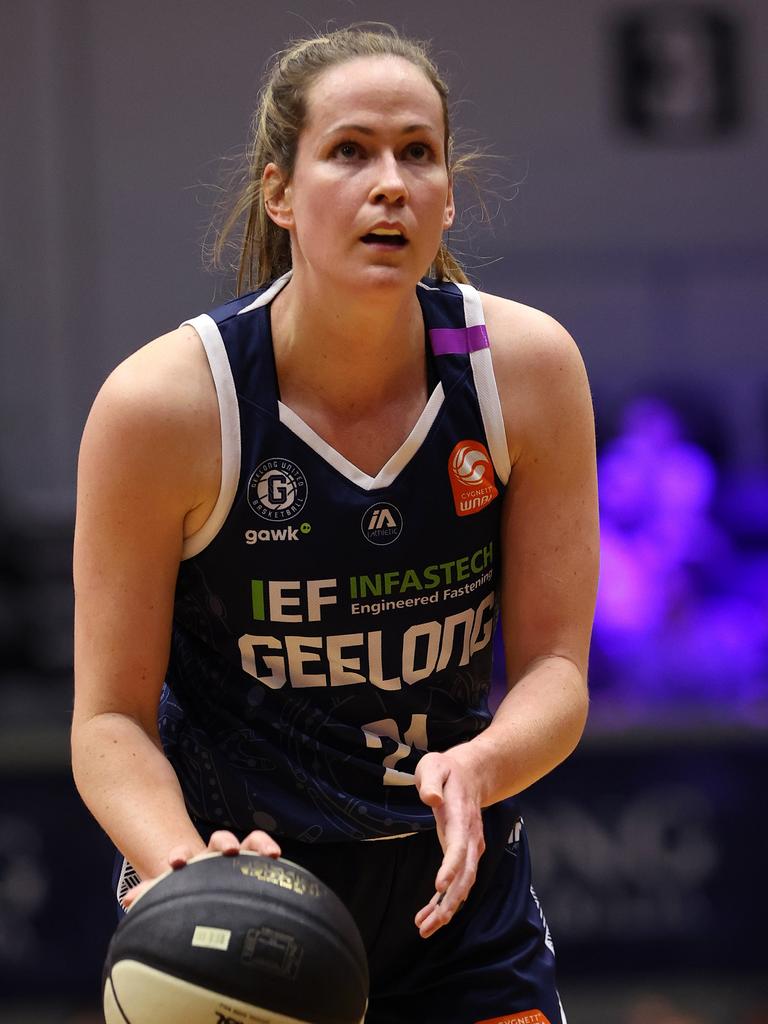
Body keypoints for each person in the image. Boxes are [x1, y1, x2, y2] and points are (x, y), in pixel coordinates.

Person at [72, 25, 598, 1024]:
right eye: (350, 151)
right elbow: (106, 721)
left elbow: (557, 674)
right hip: (242, 895)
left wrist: (482, 763)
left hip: (455, 901)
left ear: (449, 191)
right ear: (281, 191)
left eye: (418, 152)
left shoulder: (523, 372)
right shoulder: (169, 405)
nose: (390, 182)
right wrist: (184, 868)